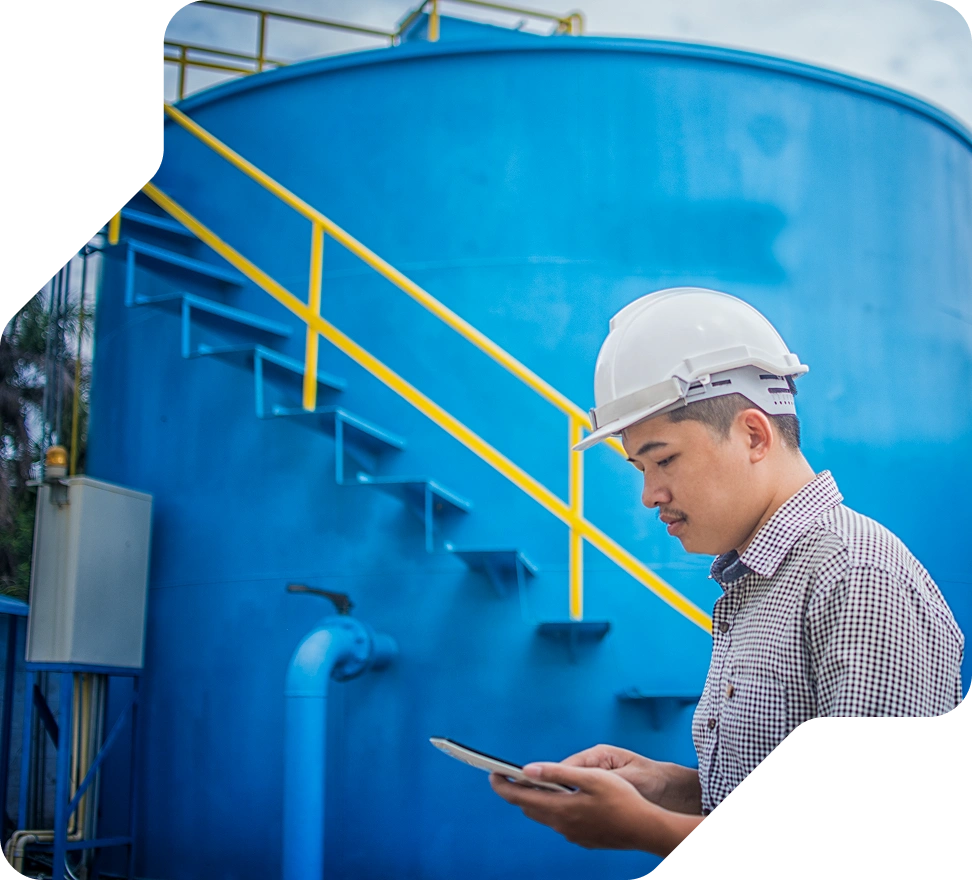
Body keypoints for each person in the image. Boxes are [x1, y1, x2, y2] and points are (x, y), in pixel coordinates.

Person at [488, 287, 965, 857]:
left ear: (753, 435)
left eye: (664, 459)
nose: (649, 495)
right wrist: (668, 788)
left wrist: (646, 829)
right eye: (641, 468)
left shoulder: (857, 576)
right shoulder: (762, 580)